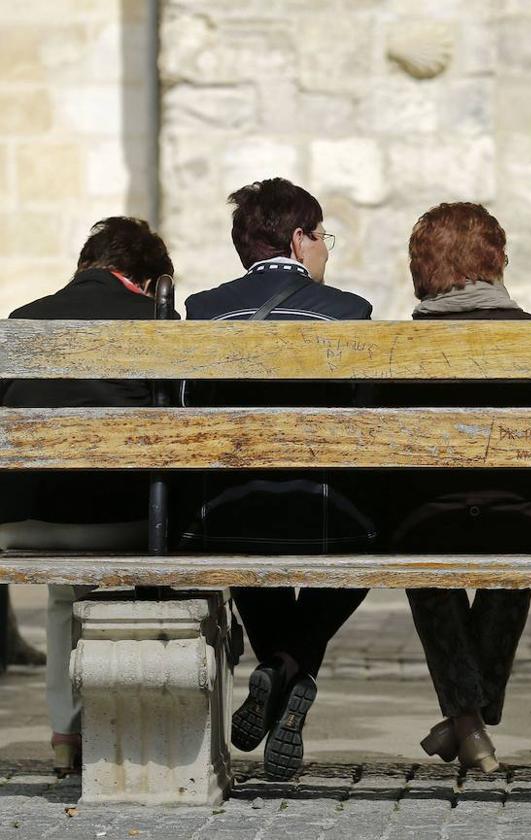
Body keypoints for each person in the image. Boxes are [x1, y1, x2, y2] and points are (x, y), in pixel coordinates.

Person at [178, 178, 374, 781]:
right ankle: (289, 668)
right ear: (299, 238)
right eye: (323, 239)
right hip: (324, 510)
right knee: (366, 541)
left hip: (228, 512)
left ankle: (276, 668)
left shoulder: (203, 311)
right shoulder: (348, 312)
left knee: (246, 535)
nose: (326, 251)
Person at [375, 202, 531, 773]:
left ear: (422, 269)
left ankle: (466, 721)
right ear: (498, 260)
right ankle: (472, 718)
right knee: (519, 543)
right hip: (525, 517)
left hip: (425, 518)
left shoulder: (390, 351)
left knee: (423, 550)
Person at [0, 217, 178, 775]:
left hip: (21, 523)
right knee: (150, 532)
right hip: (121, 521)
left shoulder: (21, 322)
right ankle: (151, 726)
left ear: (85, 266)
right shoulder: (158, 319)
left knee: (64, 588)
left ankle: (65, 732)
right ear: (147, 280)